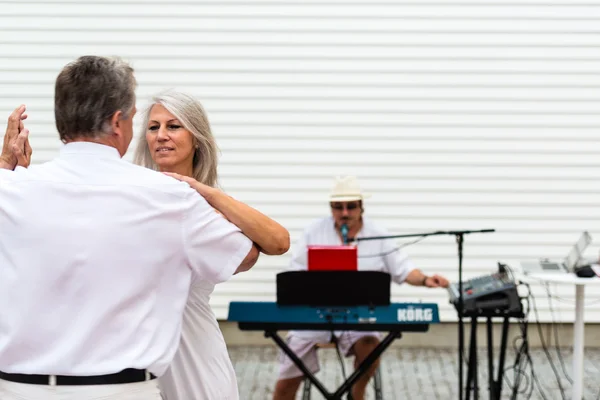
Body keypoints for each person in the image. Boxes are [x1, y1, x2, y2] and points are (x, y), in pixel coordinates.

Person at [0, 56, 259, 400]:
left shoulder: (12, 189)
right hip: (120, 388)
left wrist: (5, 169)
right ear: (118, 121)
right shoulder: (169, 197)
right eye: (145, 122)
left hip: (20, 390)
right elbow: (246, 255)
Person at [133, 90, 290, 400]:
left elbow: (278, 242)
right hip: (138, 355)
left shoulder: (207, 206)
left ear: (197, 138)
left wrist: (205, 192)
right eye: (153, 127)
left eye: (173, 126)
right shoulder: (134, 195)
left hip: (193, 350)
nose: (161, 136)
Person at [272, 176, 450, 400]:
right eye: (338, 207)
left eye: (351, 206)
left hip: (360, 318)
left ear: (361, 207)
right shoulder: (313, 231)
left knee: (370, 345)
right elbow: (295, 273)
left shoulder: (379, 235)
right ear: (331, 208)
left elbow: (403, 269)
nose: (345, 213)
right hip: (314, 316)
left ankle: (357, 393)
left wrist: (425, 280)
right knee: (286, 379)